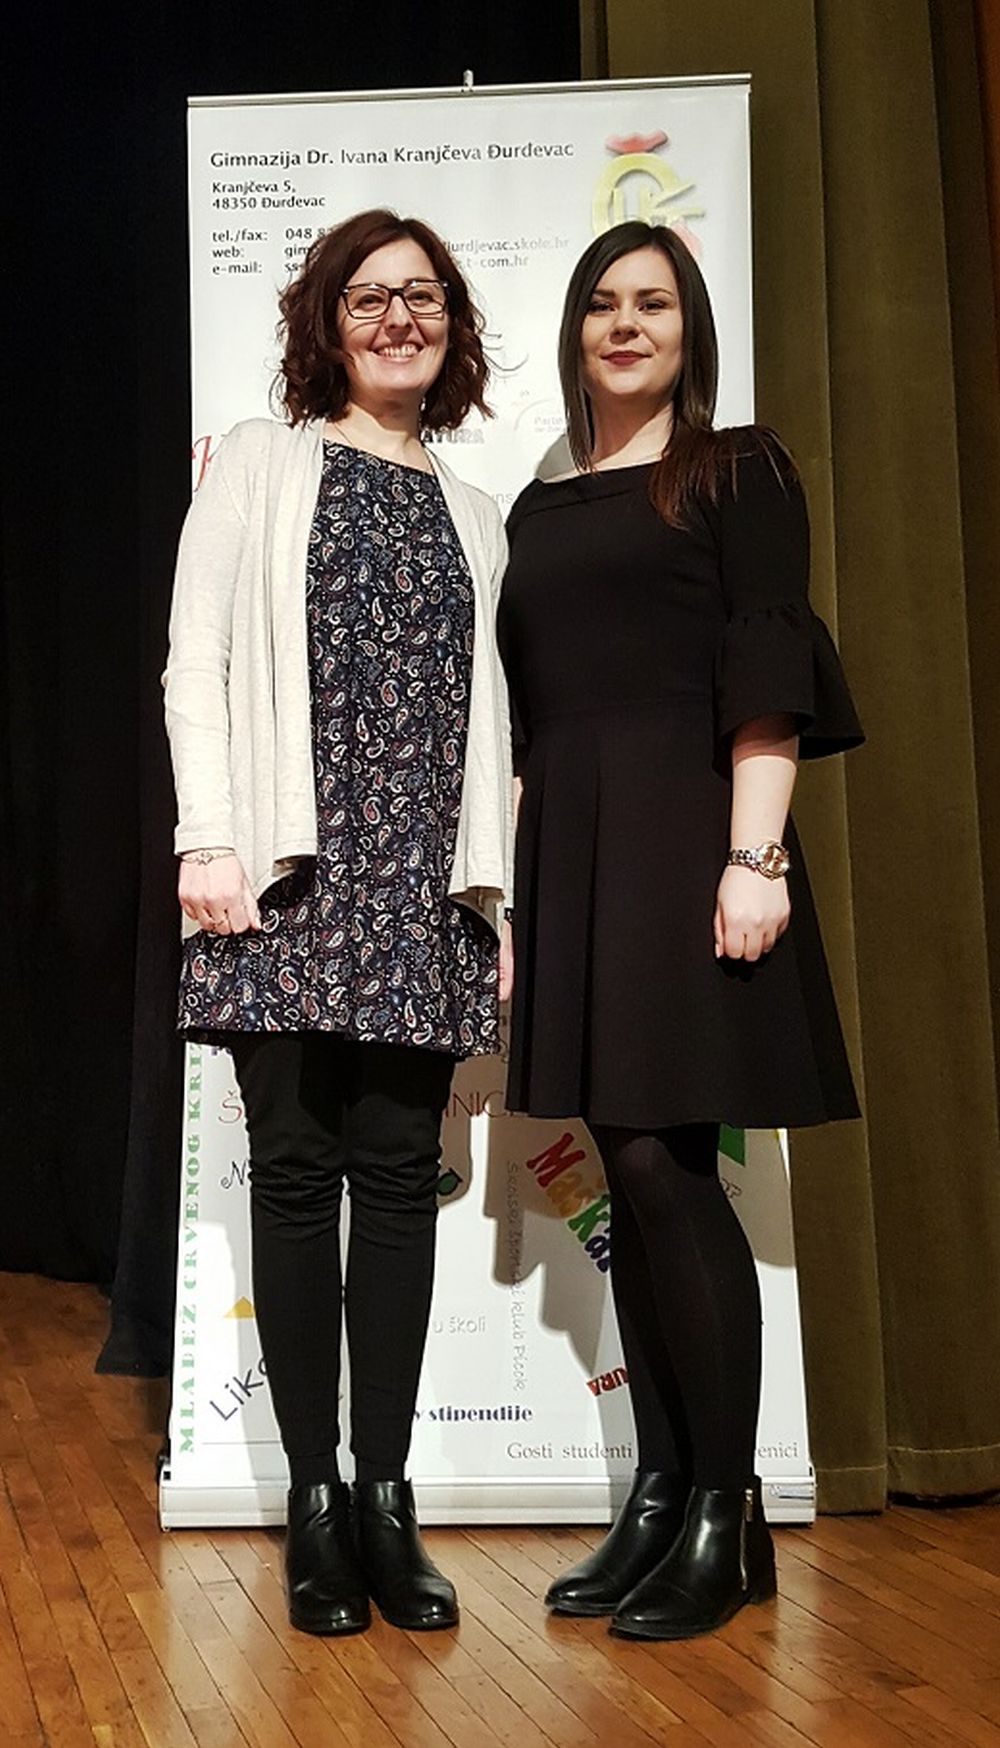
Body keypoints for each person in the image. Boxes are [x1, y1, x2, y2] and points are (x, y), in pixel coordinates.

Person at [497, 219, 863, 1642]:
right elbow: (527, 716)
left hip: (689, 834)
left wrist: (755, 857)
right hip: (573, 848)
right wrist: (511, 896)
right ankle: (663, 1495)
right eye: (602, 303)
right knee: (627, 1167)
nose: (625, 323)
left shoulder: (737, 469)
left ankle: (728, 1509)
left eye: (653, 302)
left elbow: (765, 667)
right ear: (576, 329)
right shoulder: (538, 507)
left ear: (689, 329)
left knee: (665, 1163)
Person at [164, 209, 513, 1637]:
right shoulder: (259, 460)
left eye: (421, 297)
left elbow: (501, 736)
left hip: (422, 889)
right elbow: (196, 660)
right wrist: (206, 836)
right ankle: (316, 1503)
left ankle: (386, 1499)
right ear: (328, 321)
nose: (396, 319)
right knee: (299, 1179)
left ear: (452, 328)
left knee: (400, 1186)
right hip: (287, 881)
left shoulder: (479, 513)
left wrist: (499, 898)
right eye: (368, 297)